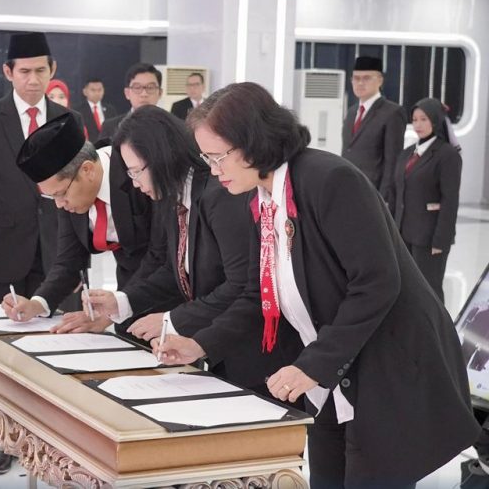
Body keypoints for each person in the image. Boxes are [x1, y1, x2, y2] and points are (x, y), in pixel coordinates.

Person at [156, 82, 479, 488]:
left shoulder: (330, 180)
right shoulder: (261, 198)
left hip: (385, 367)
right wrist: (201, 344)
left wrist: (313, 365)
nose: (214, 169)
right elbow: (260, 294)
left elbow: (376, 283)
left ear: (253, 144)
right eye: (207, 159)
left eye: (218, 157)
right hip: (331, 375)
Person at [83, 105, 298, 391]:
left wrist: (173, 319)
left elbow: (242, 285)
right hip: (221, 348)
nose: (135, 184)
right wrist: (123, 301)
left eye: (136, 172)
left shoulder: (220, 195)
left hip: (259, 353)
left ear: (160, 157)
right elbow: (174, 270)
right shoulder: (174, 197)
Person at [0, 31, 71, 475]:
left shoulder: (67, 118)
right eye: (24, 71)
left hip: (54, 251)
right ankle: (2, 439)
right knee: (2, 351)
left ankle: (48, 435)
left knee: (51, 346)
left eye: (41, 70)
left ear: (52, 70)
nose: (33, 79)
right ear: (8, 72)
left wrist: (77, 259)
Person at [1, 112, 165, 341]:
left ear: (87, 170)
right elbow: (69, 260)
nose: (59, 204)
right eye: (51, 197)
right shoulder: (70, 193)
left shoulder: (137, 176)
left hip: (167, 305)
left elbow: (162, 256)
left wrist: (114, 310)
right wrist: (36, 304)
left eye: (60, 194)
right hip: (126, 303)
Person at [392, 98, 461, 302]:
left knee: (430, 291)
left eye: (424, 119)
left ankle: (437, 323)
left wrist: (441, 240)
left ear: (435, 120)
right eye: (415, 119)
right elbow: (397, 193)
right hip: (403, 234)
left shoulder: (447, 155)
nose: (418, 124)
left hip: (430, 237)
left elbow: (450, 200)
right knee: (407, 289)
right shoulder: (406, 153)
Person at [341, 56, 406, 210]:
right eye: (356, 78)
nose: (360, 83)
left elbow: (393, 161)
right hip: (348, 189)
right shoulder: (351, 112)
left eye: (366, 78)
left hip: (373, 193)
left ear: (380, 80)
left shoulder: (392, 112)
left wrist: (384, 198)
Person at [99, 63, 163, 140]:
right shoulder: (111, 127)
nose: (144, 94)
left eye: (150, 88)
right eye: (137, 87)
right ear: (127, 93)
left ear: (160, 93)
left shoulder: (172, 125)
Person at [76, 78, 117, 143]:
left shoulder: (110, 110)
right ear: (85, 92)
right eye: (93, 90)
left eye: (99, 90)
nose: (97, 93)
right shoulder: (78, 111)